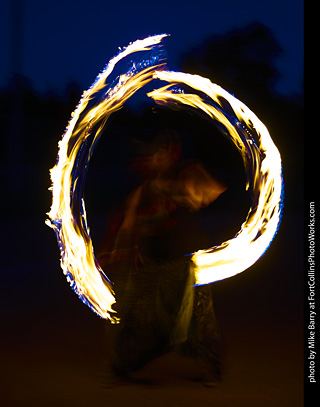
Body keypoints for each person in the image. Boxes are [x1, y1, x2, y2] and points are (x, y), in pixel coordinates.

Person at [98, 130, 227, 386]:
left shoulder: (189, 175)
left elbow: (212, 191)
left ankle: (212, 368)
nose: (159, 158)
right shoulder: (142, 190)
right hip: (150, 267)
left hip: (182, 264)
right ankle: (122, 364)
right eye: (156, 154)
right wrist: (123, 249)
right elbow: (128, 226)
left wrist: (184, 192)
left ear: (173, 156)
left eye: (165, 153)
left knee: (198, 321)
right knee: (141, 321)